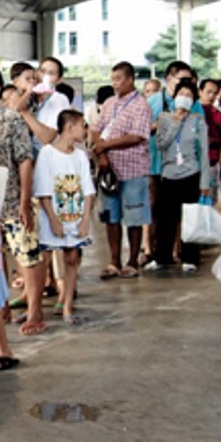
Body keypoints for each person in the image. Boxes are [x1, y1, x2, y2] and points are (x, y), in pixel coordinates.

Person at [0, 74, 48, 336]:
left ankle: (36, 309)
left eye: (8, 96)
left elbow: (25, 161)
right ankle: (2, 306)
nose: (6, 101)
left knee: (27, 255)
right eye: (3, 98)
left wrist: (25, 202)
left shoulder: (15, 119)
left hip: (15, 199)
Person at [92, 62, 152, 279]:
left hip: (133, 169)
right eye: (113, 78)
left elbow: (136, 136)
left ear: (130, 79)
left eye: (118, 79)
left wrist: (106, 146)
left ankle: (132, 260)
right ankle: (114, 260)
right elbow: (96, 129)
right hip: (109, 169)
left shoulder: (141, 105)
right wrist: (101, 154)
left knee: (134, 216)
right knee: (110, 216)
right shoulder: (109, 103)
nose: (115, 83)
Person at [35, 108, 95, 324]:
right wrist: (53, 219)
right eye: (82, 125)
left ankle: (68, 304)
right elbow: (42, 191)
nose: (85, 130)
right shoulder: (47, 154)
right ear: (70, 127)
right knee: (45, 258)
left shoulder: (80, 155)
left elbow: (88, 190)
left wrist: (86, 219)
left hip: (75, 216)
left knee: (72, 258)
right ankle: (37, 307)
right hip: (54, 216)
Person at [152, 79, 211, 272]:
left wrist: (205, 182)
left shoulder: (197, 121)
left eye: (188, 95)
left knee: (190, 219)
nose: (184, 98)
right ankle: (163, 256)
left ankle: (190, 258)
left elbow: (203, 152)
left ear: (193, 100)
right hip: (169, 174)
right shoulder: (165, 119)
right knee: (165, 219)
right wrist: (175, 122)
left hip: (191, 173)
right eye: (181, 94)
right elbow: (161, 144)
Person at [200, 78, 221, 198]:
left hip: (212, 163)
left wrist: (220, 162)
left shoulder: (219, 116)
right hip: (192, 164)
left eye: (215, 93)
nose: (211, 96)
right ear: (200, 92)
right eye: (208, 92)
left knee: (211, 198)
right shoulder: (192, 112)